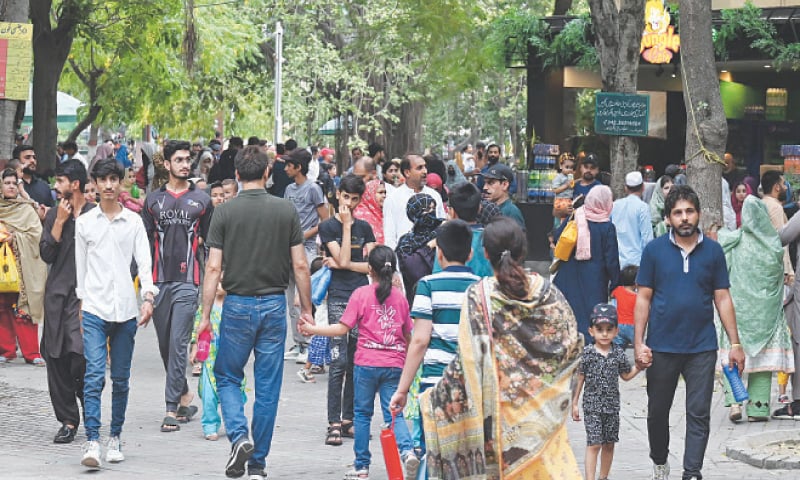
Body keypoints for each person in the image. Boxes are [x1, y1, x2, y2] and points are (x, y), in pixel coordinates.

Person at [419, 217, 583, 478]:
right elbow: (571, 343)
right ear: (523, 250)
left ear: (484, 253)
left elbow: (468, 364)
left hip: (497, 430)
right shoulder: (547, 292)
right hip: (542, 419)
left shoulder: (478, 296)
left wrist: (433, 399)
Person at [198, 145, 312, 480]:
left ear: (236, 174)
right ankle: (258, 465)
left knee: (228, 375)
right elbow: (301, 266)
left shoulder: (224, 213)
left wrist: (205, 315)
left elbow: (213, 268)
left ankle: (238, 435)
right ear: (267, 174)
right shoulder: (285, 210)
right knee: (268, 387)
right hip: (275, 305)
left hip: (237, 306)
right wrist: (306, 310)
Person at [634, 185, 745, 480]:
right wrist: (638, 343)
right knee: (657, 412)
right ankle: (659, 461)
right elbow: (643, 297)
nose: (684, 218)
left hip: (702, 347)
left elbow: (722, 297)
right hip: (661, 347)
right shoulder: (654, 251)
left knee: (699, 413)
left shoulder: (713, 251)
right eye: (678, 213)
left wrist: (735, 343)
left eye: (689, 211)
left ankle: (692, 472)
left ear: (698, 214)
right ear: (668, 218)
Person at [300, 246, 419, 480]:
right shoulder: (400, 298)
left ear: (370, 269)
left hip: (366, 364)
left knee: (362, 415)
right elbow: (408, 336)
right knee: (393, 413)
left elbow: (341, 328)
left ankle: (362, 466)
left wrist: (313, 329)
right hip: (394, 364)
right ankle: (407, 451)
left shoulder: (360, 294)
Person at [75, 158, 158, 469]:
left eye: (114, 179)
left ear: (122, 183)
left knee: (121, 379)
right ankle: (93, 439)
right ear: (94, 184)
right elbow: (80, 269)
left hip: (125, 310)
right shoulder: (84, 223)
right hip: (94, 308)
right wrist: (81, 302)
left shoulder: (134, 222)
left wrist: (148, 297)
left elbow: (145, 265)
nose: (108, 185)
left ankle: (115, 437)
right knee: (95, 374)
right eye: (103, 180)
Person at [389, 220, 479, 458]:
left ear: (439, 253)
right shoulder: (482, 289)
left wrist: (403, 389)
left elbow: (419, 341)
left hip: (434, 385)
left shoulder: (428, 286)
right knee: (466, 457)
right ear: (470, 254)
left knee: (436, 456)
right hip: (471, 385)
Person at [142, 140, 214, 433]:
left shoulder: (203, 201)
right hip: (158, 282)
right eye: (180, 160)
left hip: (188, 281)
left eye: (188, 160)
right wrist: (144, 283)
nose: (186, 164)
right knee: (164, 346)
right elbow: (143, 244)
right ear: (167, 164)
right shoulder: (152, 201)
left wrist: (212, 281)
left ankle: (171, 408)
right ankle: (184, 394)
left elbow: (211, 245)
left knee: (178, 344)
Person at [717, 195, 794, 422]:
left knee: (733, 355)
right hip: (765, 315)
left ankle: (734, 403)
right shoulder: (772, 246)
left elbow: (724, 266)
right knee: (761, 362)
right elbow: (778, 276)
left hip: (737, 311)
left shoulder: (735, 240)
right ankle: (758, 409)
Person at [318, 174, 376, 447]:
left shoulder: (366, 227)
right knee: (338, 361)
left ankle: (349, 419)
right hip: (339, 298)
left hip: (362, 297)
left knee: (356, 362)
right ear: (338, 195)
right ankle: (333, 422)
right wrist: (346, 227)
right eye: (345, 197)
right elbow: (341, 257)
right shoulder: (328, 227)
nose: (349, 203)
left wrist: (344, 263)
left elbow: (372, 268)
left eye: (355, 199)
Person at [40, 160, 95, 444]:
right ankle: (68, 420)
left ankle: (91, 409)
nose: (55, 187)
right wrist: (60, 222)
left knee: (80, 356)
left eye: (60, 181)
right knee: (55, 356)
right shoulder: (53, 215)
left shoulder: (96, 216)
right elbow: (47, 254)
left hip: (86, 298)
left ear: (75, 184)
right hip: (56, 297)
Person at [572, 303, 641, 480]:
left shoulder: (618, 353)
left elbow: (626, 375)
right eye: (599, 329)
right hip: (592, 407)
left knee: (609, 444)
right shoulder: (587, 353)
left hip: (612, 407)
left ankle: (603, 477)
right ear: (591, 331)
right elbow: (580, 378)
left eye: (609, 329)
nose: (604, 334)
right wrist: (574, 404)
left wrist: (639, 368)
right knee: (594, 444)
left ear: (616, 331)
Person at [553, 185, 620, 340]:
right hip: (595, 282)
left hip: (569, 275)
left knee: (570, 318)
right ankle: (589, 355)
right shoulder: (607, 226)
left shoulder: (577, 215)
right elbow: (611, 259)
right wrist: (616, 282)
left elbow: (557, 237)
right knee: (592, 319)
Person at [283, 149, 329, 364]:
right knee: (291, 299)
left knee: (305, 298)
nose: (285, 169)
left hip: (308, 249)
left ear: (298, 167)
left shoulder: (313, 189)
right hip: (287, 248)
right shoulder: (288, 189)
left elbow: (325, 220)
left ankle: (310, 343)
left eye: (288, 165)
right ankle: (298, 342)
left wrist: (304, 235)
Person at [0, 168, 47, 365]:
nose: (10, 186)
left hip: (23, 268)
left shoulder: (26, 209)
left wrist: (14, 238)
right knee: (2, 308)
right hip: (3, 268)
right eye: (7, 183)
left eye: (13, 183)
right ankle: (6, 350)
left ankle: (32, 353)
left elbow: (36, 236)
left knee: (24, 309)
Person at [191, 278, 246, 440]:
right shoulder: (205, 309)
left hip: (231, 359)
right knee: (209, 396)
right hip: (210, 359)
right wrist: (195, 347)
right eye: (218, 281)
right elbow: (197, 328)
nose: (221, 285)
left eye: (225, 281)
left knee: (235, 394)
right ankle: (210, 426)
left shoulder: (236, 307)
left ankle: (233, 424)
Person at [761, 170, 795, 406]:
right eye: (783, 183)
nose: (786, 186)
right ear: (776, 187)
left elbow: (778, 241)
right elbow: (779, 244)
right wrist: (788, 272)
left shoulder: (763, 205)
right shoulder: (774, 207)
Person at [383, 153, 445, 249]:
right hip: (403, 257)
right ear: (407, 173)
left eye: (425, 167)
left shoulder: (434, 195)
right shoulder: (393, 199)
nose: (425, 171)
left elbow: (442, 227)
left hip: (431, 255)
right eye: (419, 168)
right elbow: (390, 237)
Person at [432, 182, 493, 277]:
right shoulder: (491, 237)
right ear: (479, 208)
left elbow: (437, 273)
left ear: (452, 212)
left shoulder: (446, 239)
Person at [396, 193, 443, 305]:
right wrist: (429, 246)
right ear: (415, 213)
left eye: (433, 208)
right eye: (427, 209)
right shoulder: (406, 242)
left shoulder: (443, 230)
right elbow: (413, 271)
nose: (432, 212)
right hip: (419, 299)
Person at [611, 171, 653, 268]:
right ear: (643, 187)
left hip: (617, 261)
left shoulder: (615, 205)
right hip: (637, 262)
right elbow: (647, 239)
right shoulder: (643, 207)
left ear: (625, 188)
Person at [480, 163, 525, 229]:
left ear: (504, 185)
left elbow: (518, 238)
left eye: (491, 183)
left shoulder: (511, 212)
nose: (485, 187)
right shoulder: (487, 209)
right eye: (485, 183)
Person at [610, 265, 638, 349]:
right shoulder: (637, 297)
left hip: (618, 325)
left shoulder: (618, 290)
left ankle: (617, 361)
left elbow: (612, 295)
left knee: (618, 348)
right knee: (638, 346)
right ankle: (639, 361)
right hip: (632, 325)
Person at [353, 179, 386, 245]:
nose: (384, 196)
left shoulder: (382, 212)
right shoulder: (361, 215)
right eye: (380, 192)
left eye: (385, 192)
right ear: (370, 193)